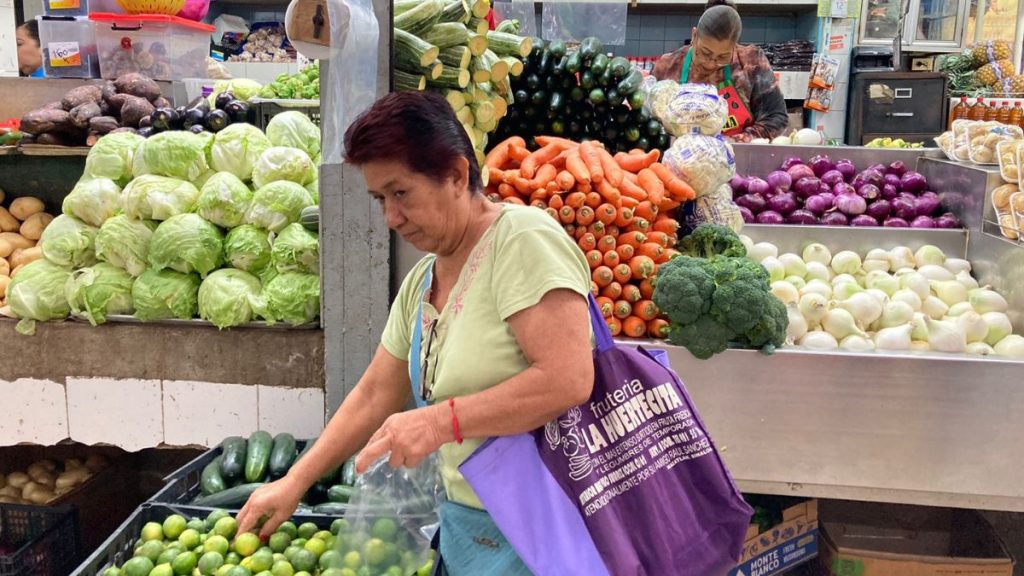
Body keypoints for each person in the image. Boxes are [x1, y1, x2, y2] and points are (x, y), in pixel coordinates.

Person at [236, 91, 595, 575]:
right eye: (380, 198)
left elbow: (568, 378)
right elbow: (374, 393)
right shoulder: (424, 280)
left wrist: (435, 423)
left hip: (542, 527)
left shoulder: (523, 241)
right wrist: (294, 482)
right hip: (469, 524)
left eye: (400, 193)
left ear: (457, 174)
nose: (390, 217)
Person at [652, 0, 788, 142]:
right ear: (694, 36)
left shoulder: (751, 63)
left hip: (737, 158)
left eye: (723, 57)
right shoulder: (667, 66)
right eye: (705, 53)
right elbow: (649, 122)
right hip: (677, 159)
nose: (711, 64)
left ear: (734, 46)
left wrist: (733, 142)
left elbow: (776, 118)